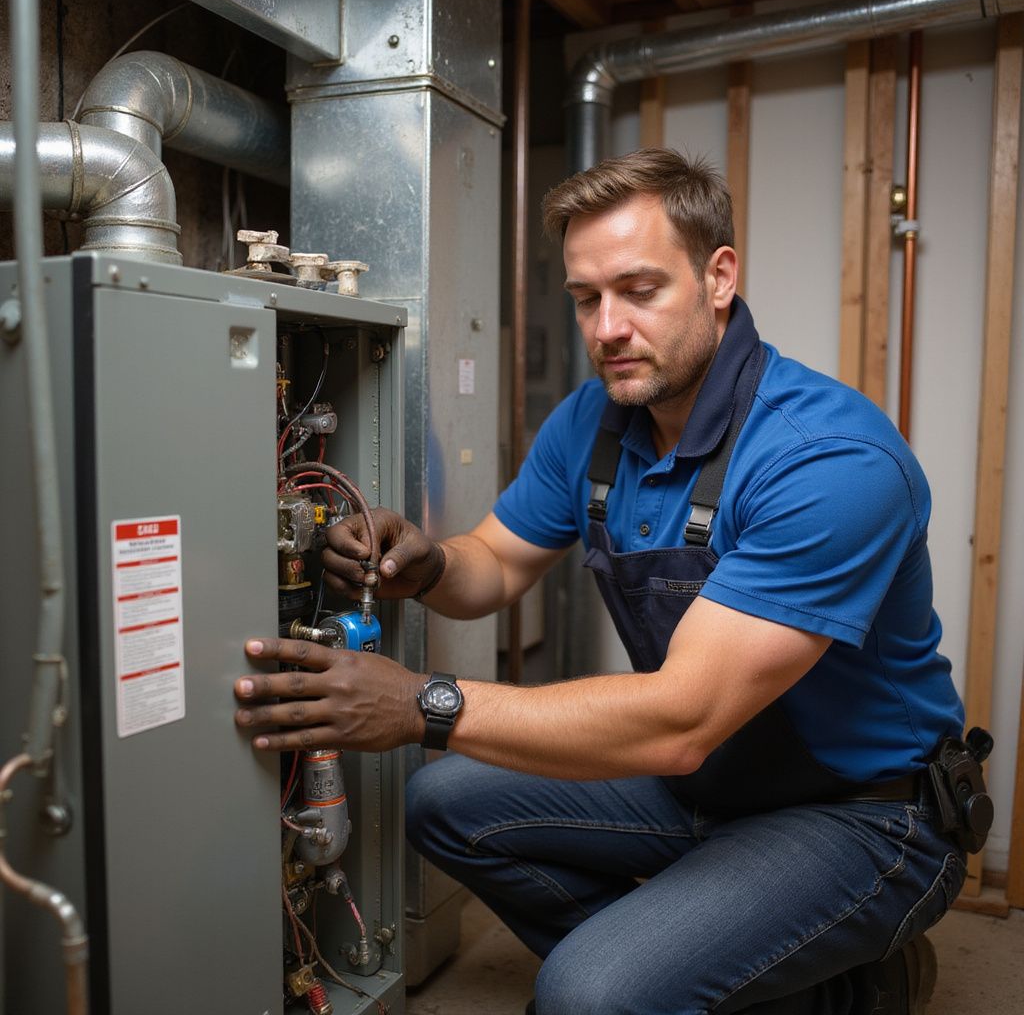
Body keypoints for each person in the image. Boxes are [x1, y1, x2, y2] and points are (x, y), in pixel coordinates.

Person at [235, 148, 971, 1014]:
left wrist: (418, 704)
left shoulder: (826, 461)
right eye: (587, 298)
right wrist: (427, 561)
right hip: (707, 781)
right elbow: (494, 566)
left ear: (719, 276)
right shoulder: (596, 420)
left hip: (861, 813)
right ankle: (707, 958)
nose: (607, 327)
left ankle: (854, 987)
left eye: (640, 289)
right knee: (442, 802)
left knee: (586, 996)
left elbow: (683, 720)